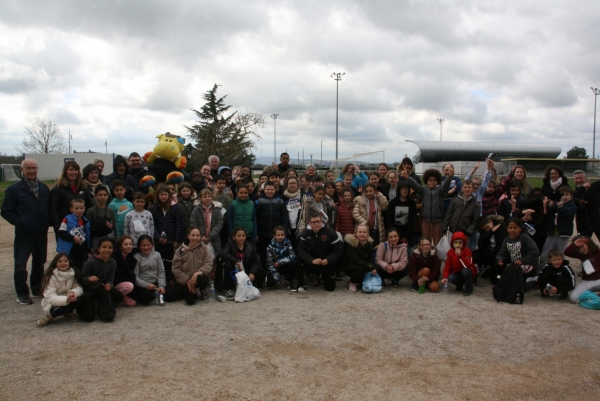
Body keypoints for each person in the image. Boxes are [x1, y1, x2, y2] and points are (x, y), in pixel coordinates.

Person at [1, 158, 50, 304]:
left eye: (34, 168)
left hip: (41, 231)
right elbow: (6, 211)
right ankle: (22, 293)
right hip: (24, 233)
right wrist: (20, 222)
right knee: (21, 263)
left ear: (37, 169)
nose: (31, 171)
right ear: (22, 170)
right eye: (28, 168)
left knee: (39, 261)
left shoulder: (44, 188)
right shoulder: (14, 189)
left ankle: (36, 288)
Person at [78, 237, 124, 322]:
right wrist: (89, 279)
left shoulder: (113, 262)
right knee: (88, 318)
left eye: (110, 247)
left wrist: (109, 285)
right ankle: (85, 305)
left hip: (102, 289)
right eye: (104, 247)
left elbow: (110, 279)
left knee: (119, 297)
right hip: (89, 291)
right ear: (99, 248)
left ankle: (101, 304)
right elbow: (82, 279)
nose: (107, 250)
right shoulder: (90, 262)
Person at [403, 168, 451, 247]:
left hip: (437, 221)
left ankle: (436, 257)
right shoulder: (423, 190)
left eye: (434, 180)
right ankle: (426, 256)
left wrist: (449, 177)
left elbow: (445, 186)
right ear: (426, 181)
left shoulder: (440, 191)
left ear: (437, 181)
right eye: (430, 180)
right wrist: (407, 177)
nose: (432, 181)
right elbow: (415, 185)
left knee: (437, 242)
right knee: (425, 241)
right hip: (425, 221)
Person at [297, 213, 344, 292]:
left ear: (322, 222)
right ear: (309, 223)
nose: (316, 224)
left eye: (318, 222)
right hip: (312, 261)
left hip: (325, 261)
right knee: (297, 260)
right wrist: (311, 260)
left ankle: (327, 276)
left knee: (330, 288)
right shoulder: (305, 233)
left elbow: (338, 250)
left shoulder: (331, 233)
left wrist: (328, 260)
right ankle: (301, 283)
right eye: (313, 222)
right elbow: (301, 250)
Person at [169, 227, 214, 305]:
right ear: (188, 236)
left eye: (197, 235)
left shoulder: (204, 248)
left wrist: (196, 273)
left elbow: (208, 263)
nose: (195, 238)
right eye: (193, 235)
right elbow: (176, 269)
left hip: (198, 277)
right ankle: (186, 291)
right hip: (186, 280)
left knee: (203, 277)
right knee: (190, 301)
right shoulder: (180, 250)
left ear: (200, 237)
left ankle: (203, 290)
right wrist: (187, 281)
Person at [36, 253, 83, 327]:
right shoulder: (50, 276)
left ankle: (68, 313)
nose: (63, 263)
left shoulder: (72, 273)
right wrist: (66, 299)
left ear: (69, 262)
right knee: (65, 306)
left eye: (65, 261)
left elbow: (78, 287)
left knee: (77, 300)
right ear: (55, 263)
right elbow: (50, 296)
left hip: (67, 297)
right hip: (52, 303)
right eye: (60, 261)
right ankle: (49, 317)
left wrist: (73, 292)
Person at [50, 161, 93, 237]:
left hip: (82, 227)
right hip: (66, 228)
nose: (73, 172)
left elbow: (89, 206)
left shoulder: (84, 188)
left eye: (75, 170)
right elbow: (54, 211)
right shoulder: (58, 190)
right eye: (71, 170)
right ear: (65, 172)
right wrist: (59, 229)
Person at [495, 218, 540, 289]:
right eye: (510, 228)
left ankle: (534, 282)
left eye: (515, 228)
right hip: (515, 265)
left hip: (529, 264)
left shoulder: (525, 237)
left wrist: (522, 260)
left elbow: (535, 251)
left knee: (518, 286)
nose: (513, 230)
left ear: (520, 229)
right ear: (507, 229)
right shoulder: (506, 239)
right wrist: (499, 259)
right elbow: (501, 253)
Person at [220, 227, 264, 296]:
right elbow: (223, 254)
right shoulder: (230, 244)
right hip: (234, 270)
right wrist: (236, 261)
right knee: (227, 263)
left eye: (243, 236)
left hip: (246, 269)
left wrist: (252, 272)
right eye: (239, 236)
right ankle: (228, 288)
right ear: (234, 237)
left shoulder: (251, 247)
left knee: (261, 270)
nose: (241, 238)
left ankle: (256, 287)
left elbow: (256, 261)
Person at [152, 183, 182, 284]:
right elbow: (153, 225)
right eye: (161, 194)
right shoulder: (154, 207)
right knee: (160, 263)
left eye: (165, 194)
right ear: (157, 195)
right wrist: (157, 237)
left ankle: (170, 281)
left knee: (171, 262)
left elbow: (178, 224)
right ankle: (160, 283)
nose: (163, 196)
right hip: (159, 242)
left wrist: (176, 240)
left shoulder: (175, 207)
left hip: (171, 241)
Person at [539, 186, 576, 265]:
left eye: (567, 195)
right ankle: (542, 270)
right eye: (562, 195)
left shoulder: (572, 206)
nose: (564, 197)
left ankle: (562, 270)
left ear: (571, 196)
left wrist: (559, 202)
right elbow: (550, 211)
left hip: (563, 234)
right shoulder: (558, 203)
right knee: (545, 254)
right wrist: (552, 200)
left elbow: (566, 213)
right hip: (552, 232)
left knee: (560, 254)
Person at [56, 198, 91, 270]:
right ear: (71, 209)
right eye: (76, 208)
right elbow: (61, 233)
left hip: (81, 250)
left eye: (81, 208)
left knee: (81, 269)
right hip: (70, 250)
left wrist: (88, 251)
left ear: (84, 209)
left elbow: (87, 237)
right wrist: (73, 238)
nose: (79, 210)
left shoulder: (86, 221)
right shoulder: (67, 219)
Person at [266, 226, 303, 292]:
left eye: (282, 235)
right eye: (278, 235)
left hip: (286, 265)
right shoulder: (270, 247)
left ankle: (289, 281)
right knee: (270, 283)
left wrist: (280, 262)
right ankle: (279, 279)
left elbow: (292, 255)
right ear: (274, 236)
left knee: (295, 262)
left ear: (285, 235)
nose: (280, 237)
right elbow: (269, 263)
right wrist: (278, 279)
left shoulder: (288, 243)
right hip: (275, 267)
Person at [134, 235, 169, 304]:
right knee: (147, 297)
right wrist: (146, 285)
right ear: (139, 247)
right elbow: (135, 277)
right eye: (143, 245)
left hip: (156, 282)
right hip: (144, 284)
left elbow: (161, 271)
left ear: (152, 245)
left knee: (171, 295)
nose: (146, 247)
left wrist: (161, 286)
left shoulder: (157, 255)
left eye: (148, 245)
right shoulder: (136, 257)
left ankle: (158, 294)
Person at [189, 188, 224, 259]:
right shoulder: (196, 210)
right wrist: (201, 235)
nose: (207, 198)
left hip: (214, 238)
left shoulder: (217, 209)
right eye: (204, 197)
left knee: (213, 259)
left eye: (209, 196)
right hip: (200, 238)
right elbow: (193, 222)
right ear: (200, 198)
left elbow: (219, 223)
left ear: (212, 197)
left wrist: (211, 236)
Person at [565, 236, 600, 303]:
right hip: (587, 280)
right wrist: (574, 245)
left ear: (588, 243)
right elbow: (567, 252)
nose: (581, 250)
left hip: (599, 279)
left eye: (582, 246)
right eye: (578, 249)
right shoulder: (581, 255)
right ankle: (594, 298)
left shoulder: (598, 252)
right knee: (574, 298)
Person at [441, 231, 477, 296]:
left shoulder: (467, 251)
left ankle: (469, 286)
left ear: (463, 243)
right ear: (452, 243)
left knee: (465, 271)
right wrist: (445, 277)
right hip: (457, 272)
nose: (457, 245)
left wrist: (460, 256)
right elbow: (447, 266)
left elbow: (468, 265)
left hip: (468, 271)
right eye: (455, 242)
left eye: (460, 243)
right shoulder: (450, 252)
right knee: (451, 278)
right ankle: (459, 285)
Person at [345, 223, 376, 292]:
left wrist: (373, 267)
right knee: (359, 268)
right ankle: (353, 282)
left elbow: (371, 258)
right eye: (360, 232)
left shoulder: (370, 244)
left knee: (374, 268)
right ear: (356, 233)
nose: (362, 234)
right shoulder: (351, 243)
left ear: (368, 234)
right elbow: (354, 259)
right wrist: (368, 265)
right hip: (351, 265)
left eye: (364, 232)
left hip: (364, 264)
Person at [572, 170, 600, 239]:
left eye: (581, 178)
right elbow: (573, 196)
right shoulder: (574, 192)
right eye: (576, 178)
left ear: (585, 178)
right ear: (574, 180)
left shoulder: (594, 187)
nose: (579, 180)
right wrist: (583, 187)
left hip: (597, 222)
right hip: (583, 225)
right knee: (583, 245)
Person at [112, 235, 137, 306]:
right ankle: (110, 298)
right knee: (129, 286)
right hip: (115, 283)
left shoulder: (131, 258)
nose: (129, 246)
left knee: (132, 303)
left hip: (123, 283)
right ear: (120, 247)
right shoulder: (115, 258)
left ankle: (116, 299)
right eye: (126, 244)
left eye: (130, 244)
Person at [282, 177, 303, 249]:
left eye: (294, 183)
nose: (292, 185)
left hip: (299, 229)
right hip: (287, 229)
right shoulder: (283, 197)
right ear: (287, 185)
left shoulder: (303, 196)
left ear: (298, 185)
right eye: (290, 183)